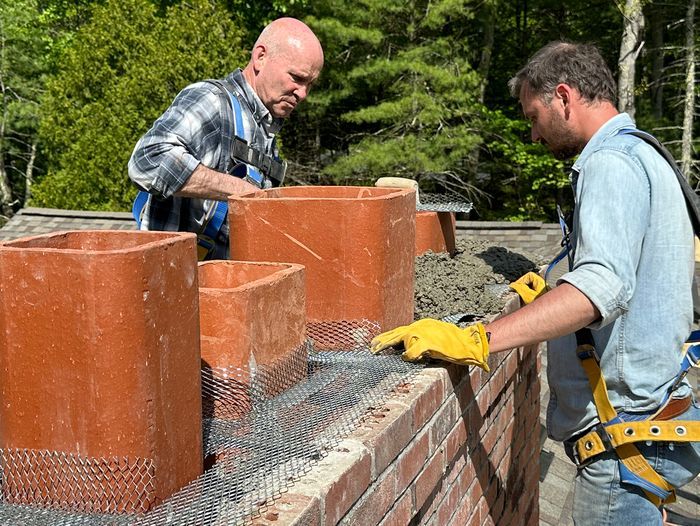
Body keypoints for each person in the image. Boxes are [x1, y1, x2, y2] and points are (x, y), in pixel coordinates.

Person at [372, 41, 700, 525]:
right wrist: (546, 284)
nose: (531, 135)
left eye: (532, 116)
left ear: (563, 97)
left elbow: (601, 288)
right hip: (654, 421)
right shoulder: (646, 154)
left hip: (624, 442)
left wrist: (479, 337)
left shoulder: (610, 164)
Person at [128, 18, 324, 260]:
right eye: (297, 78)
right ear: (260, 57)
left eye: (310, 84)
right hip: (171, 285)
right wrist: (241, 190)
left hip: (218, 289)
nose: (303, 94)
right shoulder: (212, 101)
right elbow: (147, 160)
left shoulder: (264, 131)